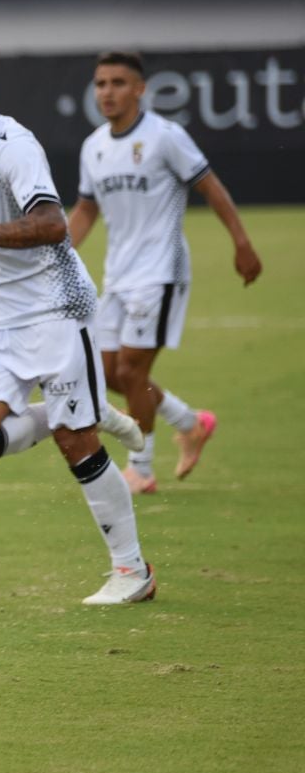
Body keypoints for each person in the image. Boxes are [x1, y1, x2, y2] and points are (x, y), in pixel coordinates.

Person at [0, 39, 153, 606]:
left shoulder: (13, 146)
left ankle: (132, 571)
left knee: (77, 443)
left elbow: (51, 224)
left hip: (56, 308)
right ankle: (81, 408)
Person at [68, 51, 262, 493]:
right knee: (108, 373)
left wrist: (242, 242)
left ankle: (141, 468)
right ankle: (191, 423)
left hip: (161, 272)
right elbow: (85, 209)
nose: (107, 92)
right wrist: (55, 255)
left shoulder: (165, 136)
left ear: (140, 89)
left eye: (118, 83)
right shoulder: (93, 146)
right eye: (101, 84)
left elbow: (210, 186)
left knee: (131, 371)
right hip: (118, 275)